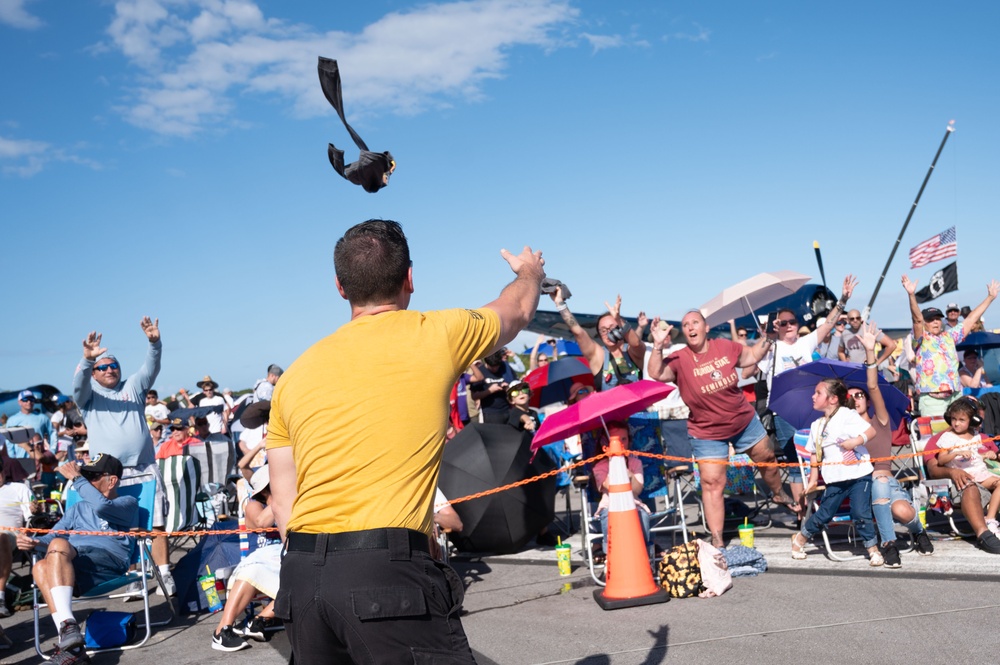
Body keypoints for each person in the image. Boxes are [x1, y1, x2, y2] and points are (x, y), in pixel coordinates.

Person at [266, 219, 544, 663]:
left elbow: (284, 505)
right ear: (409, 278)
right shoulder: (438, 332)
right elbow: (516, 312)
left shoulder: (294, 376)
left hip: (300, 576)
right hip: (385, 572)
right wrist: (529, 272)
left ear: (340, 287)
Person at [647, 311, 798, 548]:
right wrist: (657, 346)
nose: (690, 327)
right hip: (707, 432)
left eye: (695, 322)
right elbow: (656, 373)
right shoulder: (680, 358)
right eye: (686, 325)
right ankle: (717, 540)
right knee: (711, 483)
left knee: (767, 457)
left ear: (706, 327)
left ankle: (778, 492)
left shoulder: (724, 347)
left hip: (743, 421)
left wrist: (768, 337)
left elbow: (750, 356)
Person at [72, 317, 174, 595]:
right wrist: (85, 360)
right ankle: (134, 577)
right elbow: (78, 386)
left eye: (113, 365)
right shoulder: (88, 398)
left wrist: (154, 342)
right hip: (107, 475)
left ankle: (164, 572)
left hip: (143, 467)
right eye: (102, 367)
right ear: (94, 373)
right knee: (121, 526)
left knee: (156, 522)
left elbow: (151, 368)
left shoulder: (134, 387)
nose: (109, 370)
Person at [17, 454, 138, 653]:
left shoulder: (127, 502)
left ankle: (68, 637)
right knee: (40, 566)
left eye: (93, 477)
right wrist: (34, 541)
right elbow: (52, 536)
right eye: (86, 477)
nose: (87, 482)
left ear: (112, 480)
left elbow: (101, 505)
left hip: (109, 561)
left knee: (58, 545)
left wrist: (76, 478)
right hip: (74, 562)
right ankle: (70, 640)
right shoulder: (77, 508)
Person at [760, 275, 858, 513]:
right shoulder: (771, 347)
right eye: (783, 323)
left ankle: (824, 508)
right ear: (777, 326)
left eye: (792, 321)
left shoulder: (805, 343)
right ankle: (803, 515)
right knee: (796, 465)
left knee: (820, 457)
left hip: (812, 408)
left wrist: (843, 298)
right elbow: (751, 366)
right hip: (784, 412)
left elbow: (828, 324)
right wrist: (766, 337)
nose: (789, 325)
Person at [855, 323, 934, 567]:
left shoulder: (880, 420)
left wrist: (871, 352)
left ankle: (918, 530)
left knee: (903, 512)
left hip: (887, 482)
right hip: (860, 488)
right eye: (850, 396)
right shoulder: (844, 428)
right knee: (876, 484)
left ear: (867, 400)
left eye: (858, 395)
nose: (855, 398)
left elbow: (872, 385)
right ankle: (889, 544)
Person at [790, 379, 882, 565]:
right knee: (824, 513)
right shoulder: (816, 425)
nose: (813, 396)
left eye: (818, 393)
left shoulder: (847, 414)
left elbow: (871, 431)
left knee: (860, 512)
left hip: (859, 474)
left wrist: (855, 441)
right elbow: (814, 455)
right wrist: (813, 480)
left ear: (832, 399)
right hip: (835, 478)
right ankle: (800, 540)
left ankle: (873, 550)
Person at [901, 274, 998, 417]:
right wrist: (911, 295)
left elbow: (971, 319)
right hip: (932, 399)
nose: (935, 322)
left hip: (955, 397)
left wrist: (990, 298)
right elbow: (916, 320)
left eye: (938, 319)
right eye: (931, 319)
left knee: (958, 437)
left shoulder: (950, 336)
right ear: (925, 323)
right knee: (936, 437)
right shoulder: (921, 338)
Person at [212, 465, 282, 652]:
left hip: (283, 556)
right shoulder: (254, 504)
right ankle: (222, 630)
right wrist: (281, 497)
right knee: (253, 571)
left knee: (300, 575)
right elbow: (261, 523)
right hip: (261, 558)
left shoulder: (287, 503)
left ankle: (259, 620)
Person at [550, 289, 646, 390]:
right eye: (603, 330)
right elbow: (578, 332)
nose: (608, 333)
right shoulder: (598, 355)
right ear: (600, 336)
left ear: (621, 328)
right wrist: (560, 304)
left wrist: (618, 319)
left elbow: (636, 343)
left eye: (612, 327)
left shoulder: (632, 352)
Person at [935, 398, 1000, 535]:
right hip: (965, 476)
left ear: (973, 420)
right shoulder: (948, 437)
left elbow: (974, 456)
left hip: (980, 473)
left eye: (961, 420)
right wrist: (956, 452)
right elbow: (941, 460)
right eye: (953, 419)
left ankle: (990, 518)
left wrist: (987, 454)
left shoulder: (975, 435)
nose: (956, 423)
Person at [590, 421, 651, 555]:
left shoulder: (636, 463)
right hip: (610, 505)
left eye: (624, 439)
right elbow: (608, 486)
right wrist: (616, 462)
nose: (621, 443)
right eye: (616, 440)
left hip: (634, 503)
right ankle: (609, 554)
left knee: (643, 516)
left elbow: (637, 490)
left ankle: (643, 552)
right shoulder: (599, 467)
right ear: (605, 444)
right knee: (607, 518)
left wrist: (629, 474)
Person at [0, 464, 34, 617]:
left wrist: (36, 509)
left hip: (10, 536)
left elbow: (32, 516)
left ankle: (0, 598)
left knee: (2, 536)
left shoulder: (18, 489)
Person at [5, 391, 53, 459]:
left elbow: (52, 434)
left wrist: (51, 451)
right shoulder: (12, 421)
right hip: (21, 459)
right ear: (19, 402)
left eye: (31, 399)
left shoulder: (43, 418)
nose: (29, 402)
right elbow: (9, 442)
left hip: (39, 458)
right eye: (25, 399)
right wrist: (12, 457)